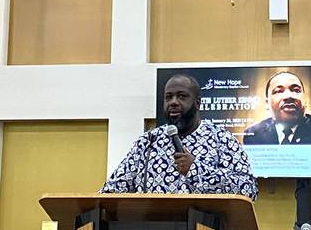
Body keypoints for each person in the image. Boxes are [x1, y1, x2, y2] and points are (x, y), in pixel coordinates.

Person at [100, 73, 258, 199]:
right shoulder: (148, 141)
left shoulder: (222, 140)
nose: (173, 102)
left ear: (198, 103)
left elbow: (248, 189)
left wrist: (195, 169)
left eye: (182, 96)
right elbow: (113, 190)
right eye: (168, 97)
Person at [243, 71, 311, 145]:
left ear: (305, 100)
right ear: (267, 103)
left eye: (296, 90)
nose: (288, 96)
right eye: (278, 91)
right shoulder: (254, 135)